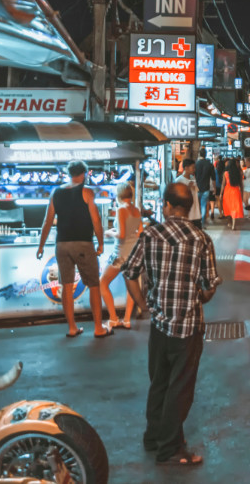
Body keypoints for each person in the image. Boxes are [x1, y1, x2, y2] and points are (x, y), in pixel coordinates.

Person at [122, 182, 220, 466]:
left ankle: (154, 437)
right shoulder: (201, 238)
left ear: (166, 205)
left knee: (159, 383)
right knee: (181, 388)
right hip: (188, 326)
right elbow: (209, 285)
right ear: (188, 209)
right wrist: (201, 295)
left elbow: (130, 274)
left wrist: (143, 306)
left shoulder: (150, 235)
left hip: (159, 323)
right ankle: (170, 448)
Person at [36, 161, 111, 339]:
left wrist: (41, 246)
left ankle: (72, 327)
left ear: (68, 174)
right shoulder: (87, 192)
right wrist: (100, 243)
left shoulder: (56, 192)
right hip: (83, 243)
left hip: (62, 244)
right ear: (84, 174)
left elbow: (47, 221)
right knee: (93, 285)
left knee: (66, 286)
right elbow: (96, 220)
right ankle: (98, 328)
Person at [100, 182, 142, 330]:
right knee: (130, 286)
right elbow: (140, 232)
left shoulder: (121, 210)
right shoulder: (136, 210)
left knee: (102, 283)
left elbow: (121, 234)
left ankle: (113, 318)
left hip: (120, 254)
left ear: (118, 195)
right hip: (134, 254)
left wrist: (110, 232)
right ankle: (127, 320)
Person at [174, 159, 203, 226]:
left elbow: (196, 192)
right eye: (193, 167)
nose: (194, 169)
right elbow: (177, 197)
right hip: (186, 214)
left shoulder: (193, 178)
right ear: (186, 168)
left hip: (196, 213)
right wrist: (187, 188)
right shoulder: (179, 180)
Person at [221, 159, 244, 230]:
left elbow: (223, 184)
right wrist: (242, 193)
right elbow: (241, 184)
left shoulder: (225, 173)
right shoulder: (239, 173)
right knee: (234, 207)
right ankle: (234, 225)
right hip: (236, 191)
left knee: (228, 207)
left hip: (227, 191)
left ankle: (229, 222)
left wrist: (221, 193)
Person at [194, 149, 216, 226]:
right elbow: (213, 178)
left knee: (197, 205)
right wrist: (214, 188)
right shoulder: (209, 164)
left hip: (197, 188)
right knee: (203, 205)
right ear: (206, 154)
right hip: (206, 188)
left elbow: (193, 176)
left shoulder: (196, 164)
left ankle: (197, 221)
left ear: (200, 154)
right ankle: (203, 222)